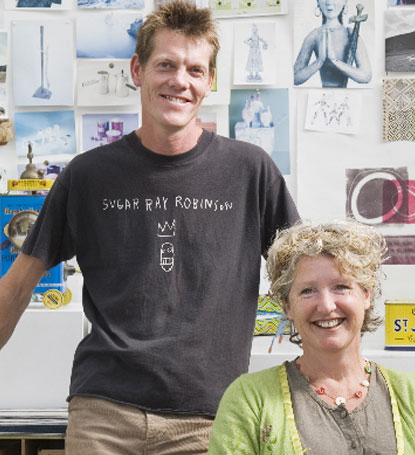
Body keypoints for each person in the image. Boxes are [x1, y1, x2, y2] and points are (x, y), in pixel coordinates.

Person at [0, 1, 299, 453]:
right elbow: (17, 286)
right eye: (166, 65)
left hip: (209, 417)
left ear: (210, 81)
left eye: (195, 70)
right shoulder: (87, 175)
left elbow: (305, 280)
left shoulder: (250, 170)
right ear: (137, 70)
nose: (181, 80)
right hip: (103, 413)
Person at [208, 219, 415, 454]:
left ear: (366, 294)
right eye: (308, 291)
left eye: (341, 287)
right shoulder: (249, 399)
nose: (326, 306)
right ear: (287, 306)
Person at [294, 0, 372, 88]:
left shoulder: (350, 34)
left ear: (345, 2)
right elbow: (295, 77)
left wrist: (335, 61)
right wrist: (318, 62)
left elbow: (366, 76)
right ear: (318, 2)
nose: (329, 2)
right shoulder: (314, 35)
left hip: (347, 95)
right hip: (320, 94)